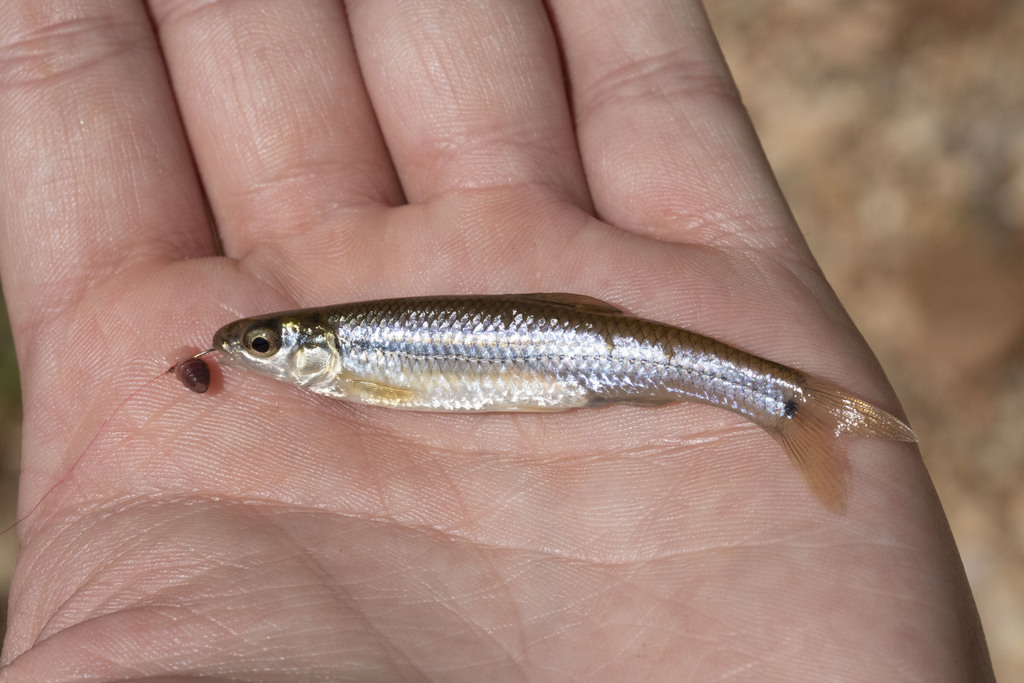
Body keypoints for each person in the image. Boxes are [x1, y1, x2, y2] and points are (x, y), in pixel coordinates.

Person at [0, 1, 994, 679]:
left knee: (699, 374)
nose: (257, 355)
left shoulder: (345, 359)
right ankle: (782, 403)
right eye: (257, 346)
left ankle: (784, 403)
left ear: (306, 344)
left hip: (591, 359)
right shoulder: (338, 360)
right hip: (577, 361)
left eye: (265, 343)